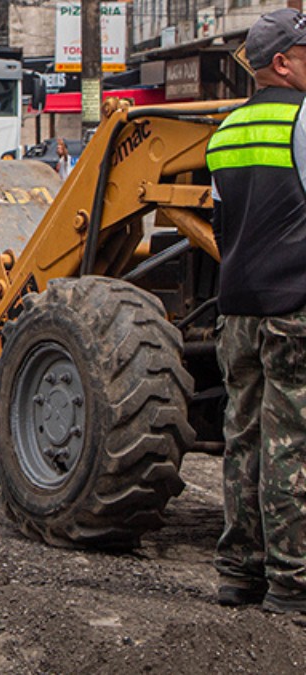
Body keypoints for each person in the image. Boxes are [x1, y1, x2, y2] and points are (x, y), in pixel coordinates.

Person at [205, 7, 306, 615]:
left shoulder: (223, 132)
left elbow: (223, 225)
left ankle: (239, 572)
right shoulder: (303, 121)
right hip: (295, 307)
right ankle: (293, 582)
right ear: (283, 63)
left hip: (237, 307)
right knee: (293, 443)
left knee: (243, 436)